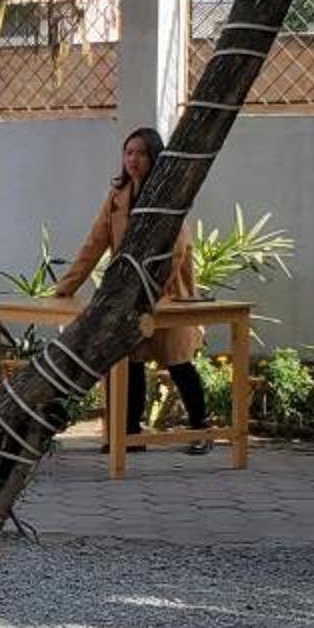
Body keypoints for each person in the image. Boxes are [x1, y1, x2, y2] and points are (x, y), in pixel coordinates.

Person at [53, 126, 209, 455]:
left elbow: (178, 250)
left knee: (178, 362)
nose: (133, 160)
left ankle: (202, 429)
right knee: (129, 360)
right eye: (128, 153)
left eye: (141, 153)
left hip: (168, 295)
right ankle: (129, 435)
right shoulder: (117, 196)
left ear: (155, 158)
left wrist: (150, 291)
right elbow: (94, 243)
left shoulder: (170, 196)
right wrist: (66, 287)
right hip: (127, 296)